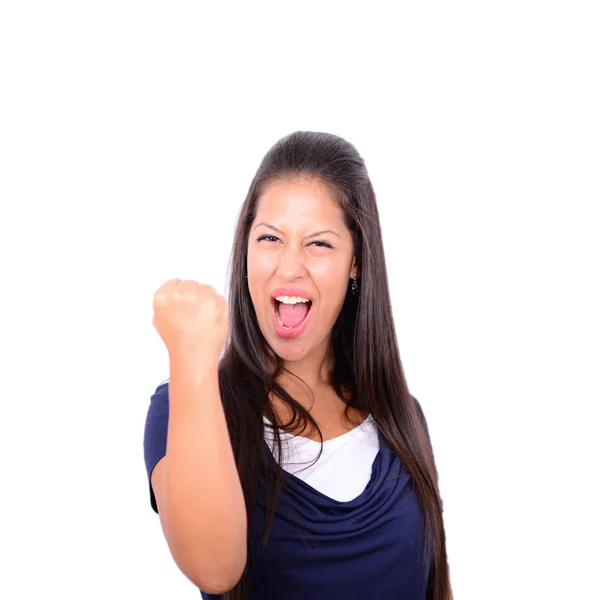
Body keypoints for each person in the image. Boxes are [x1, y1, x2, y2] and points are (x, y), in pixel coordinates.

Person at [143, 131, 452, 600]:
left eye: (319, 244)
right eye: (270, 238)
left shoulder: (403, 415)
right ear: (245, 248)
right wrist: (192, 356)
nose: (289, 267)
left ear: (356, 262)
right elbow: (215, 569)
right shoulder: (186, 406)